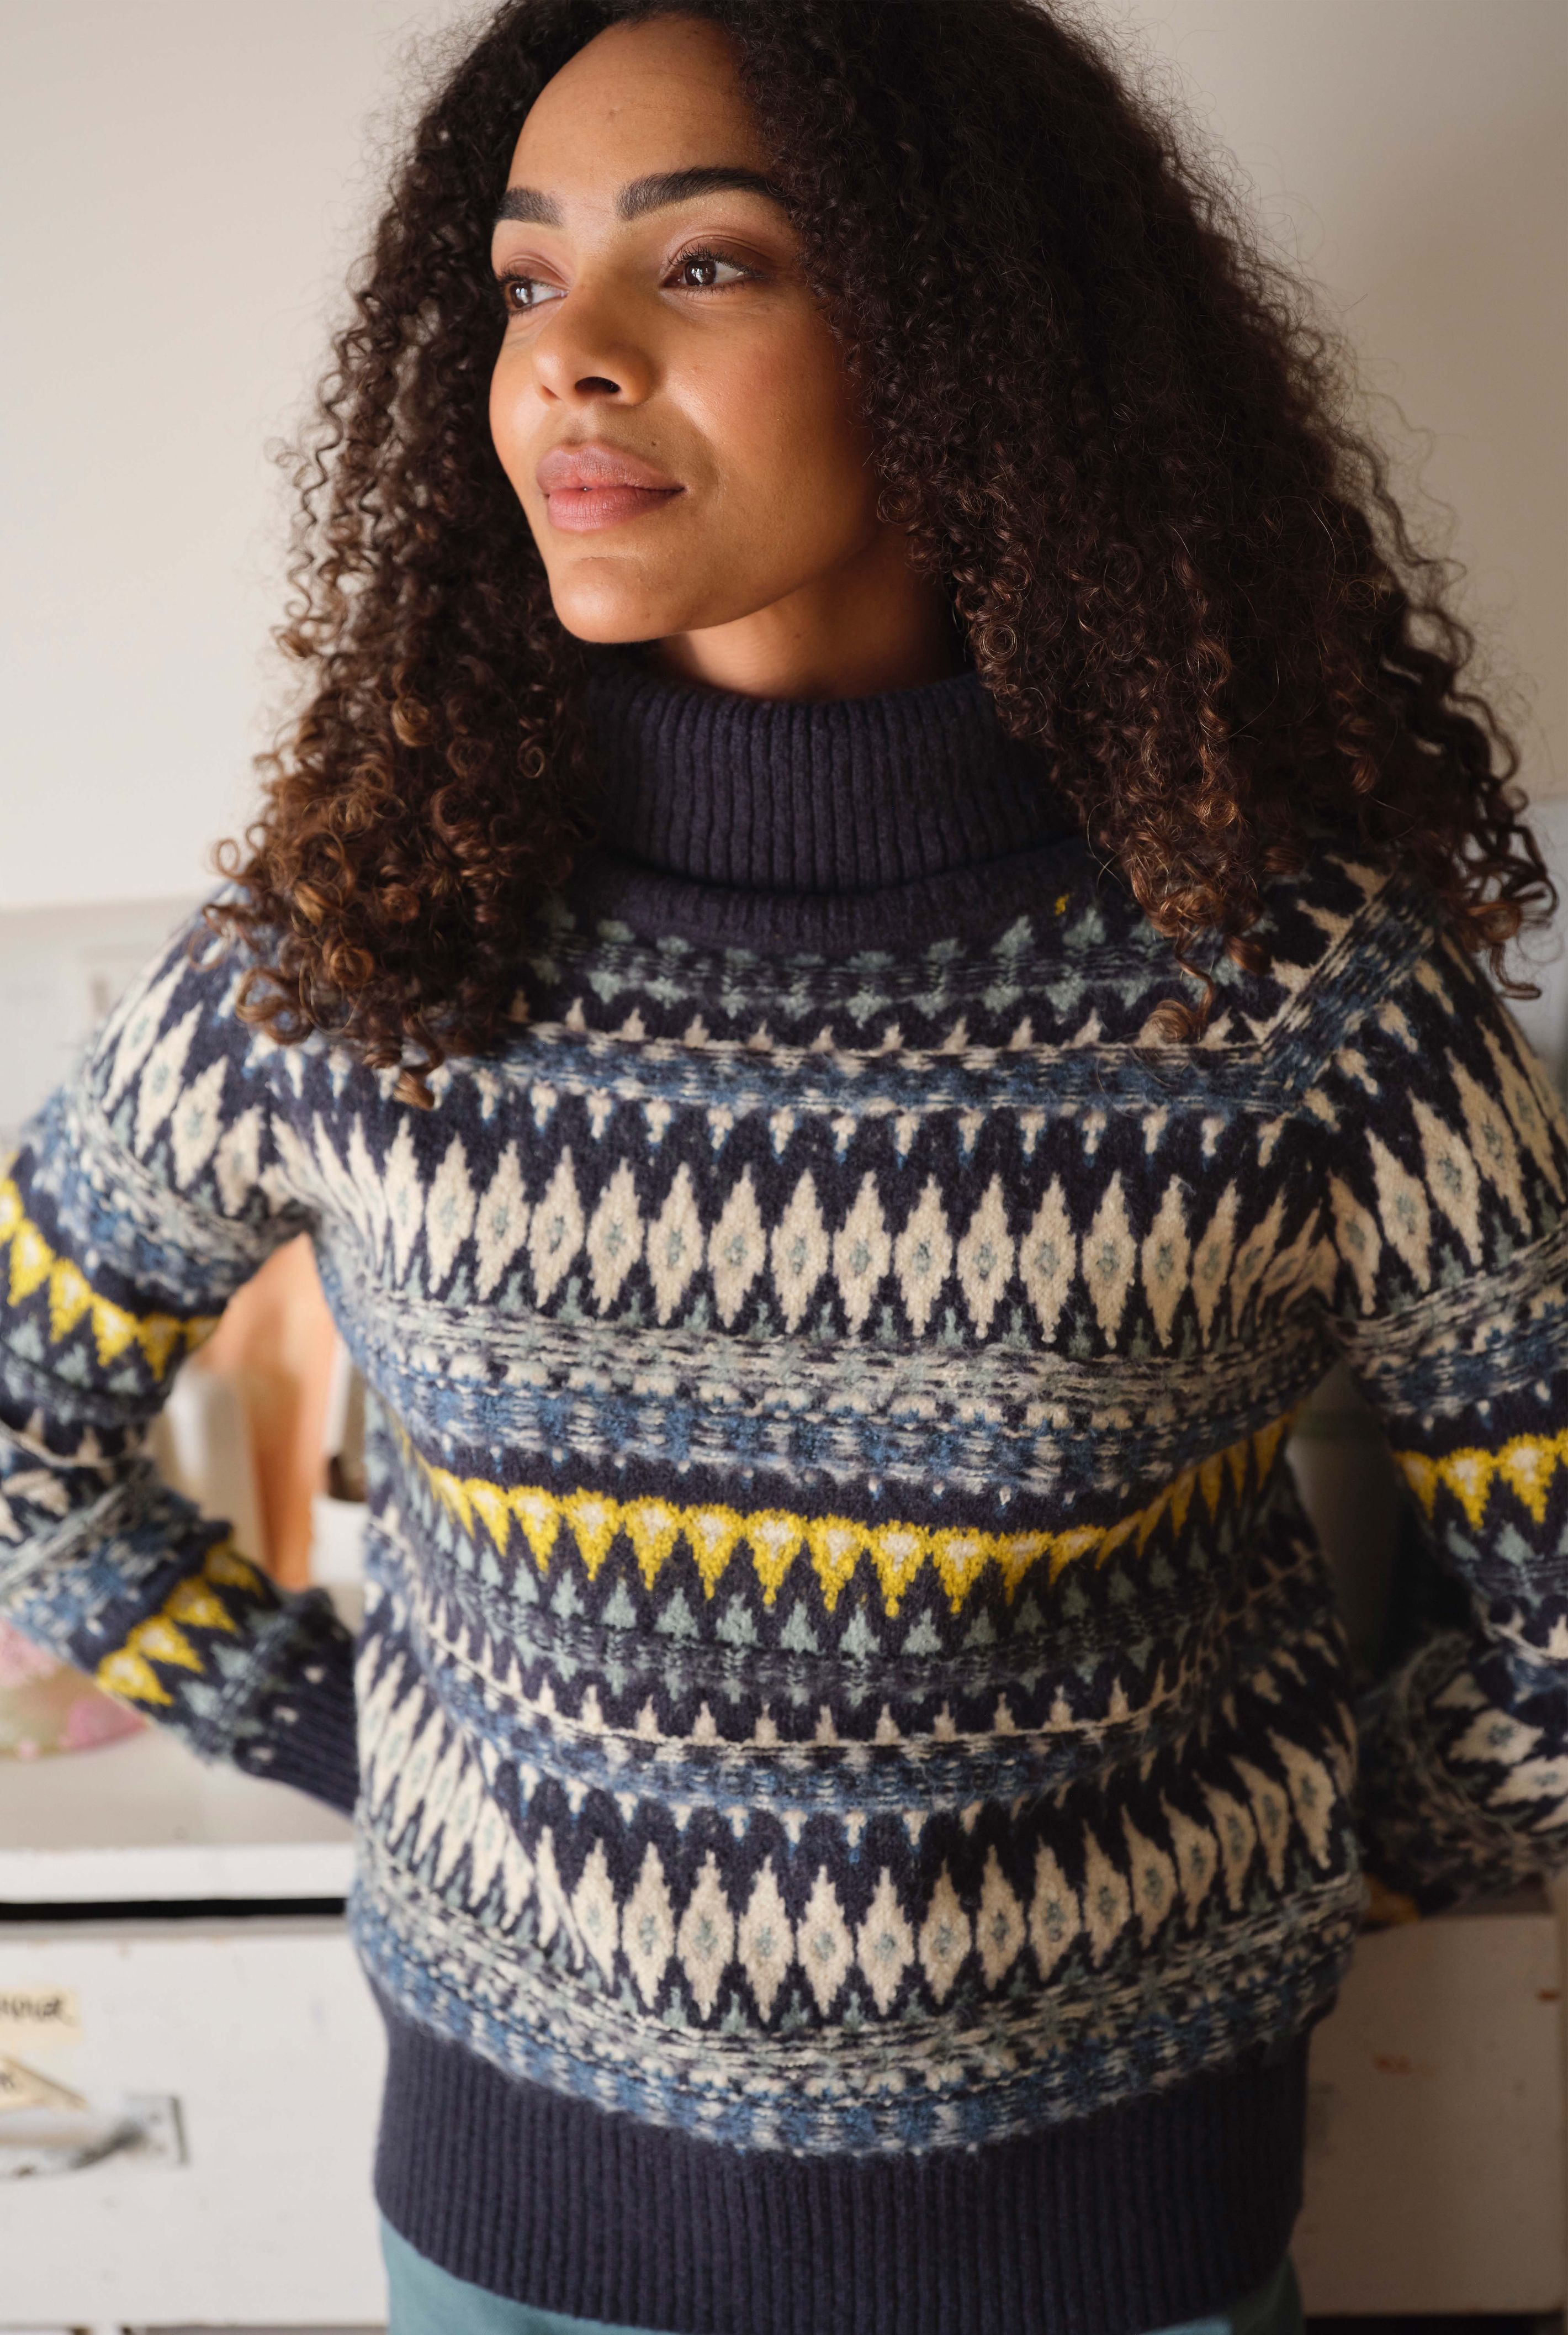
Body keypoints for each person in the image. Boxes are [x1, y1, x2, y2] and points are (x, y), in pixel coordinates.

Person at [3, 3, 1565, 2329]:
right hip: (521, 2249)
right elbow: (21, 1415)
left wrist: (1311, 1850)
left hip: (1111, 2253)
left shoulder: (1294, 983)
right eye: (526, 280)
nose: (568, 357)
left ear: (969, 335)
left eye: (705, 262)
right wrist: (349, 1734)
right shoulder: (370, 937)